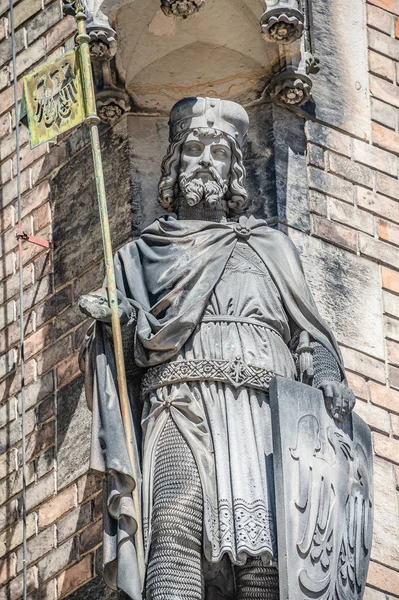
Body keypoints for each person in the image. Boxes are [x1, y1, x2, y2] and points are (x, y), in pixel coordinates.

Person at [79, 97, 355, 600]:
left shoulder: (269, 246)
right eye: (193, 149)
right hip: (179, 402)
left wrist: (327, 374)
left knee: (268, 550)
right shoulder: (138, 256)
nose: (205, 160)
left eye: (218, 152)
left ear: (233, 172)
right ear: (174, 164)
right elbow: (125, 355)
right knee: (174, 517)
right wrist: (117, 322)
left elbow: (308, 334)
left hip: (264, 412)